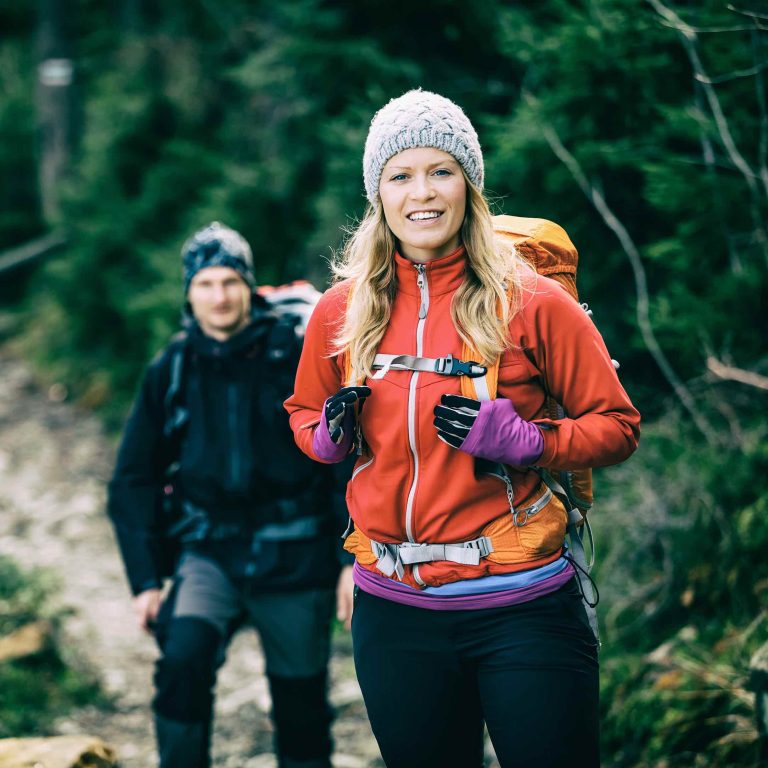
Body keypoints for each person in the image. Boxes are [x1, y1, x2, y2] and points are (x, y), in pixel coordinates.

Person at [285, 90, 641, 768]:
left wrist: (531, 442)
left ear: (470, 186)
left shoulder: (534, 302)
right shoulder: (341, 310)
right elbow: (303, 414)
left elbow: (618, 425)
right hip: (394, 614)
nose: (423, 192)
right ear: (378, 193)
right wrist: (327, 437)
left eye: (441, 170)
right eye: (401, 175)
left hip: (523, 606)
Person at [108, 222, 352, 768]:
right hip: (208, 554)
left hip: (296, 555)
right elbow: (133, 477)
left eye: (229, 282)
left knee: (302, 704)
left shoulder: (294, 354)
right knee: (181, 665)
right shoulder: (172, 367)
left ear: (248, 286)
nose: (219, 296)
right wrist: (145, 578)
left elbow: (343, 457)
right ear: (190, 292)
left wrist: (347, 557)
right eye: (206, 284)